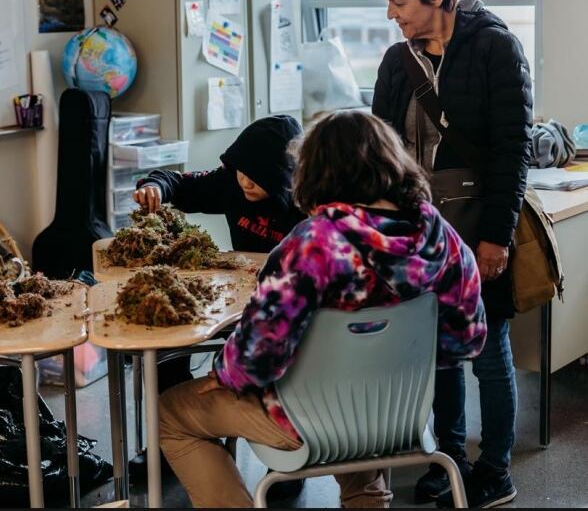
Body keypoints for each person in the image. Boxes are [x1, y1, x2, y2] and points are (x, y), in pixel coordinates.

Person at [158, 110, 487, 508]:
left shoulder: (313, 243)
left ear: (316, 170)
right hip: (399, 415)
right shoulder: (439, 233)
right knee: (352, 404)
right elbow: (467, 339)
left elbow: (257, 358)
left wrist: (225, 372)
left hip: (307, 418)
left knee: (168, 415)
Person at [372, 0, 533, 508]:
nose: (392, 14)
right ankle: (449, 458)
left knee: (489, 353)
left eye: (400, 2)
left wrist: (496, 236)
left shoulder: (496, 49)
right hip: (419, 235)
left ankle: (495, 469)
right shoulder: (397, 61)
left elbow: (513, 154)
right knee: (438, 352)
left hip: (478, 226)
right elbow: (381, 154)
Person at [132, 115, 306, 497]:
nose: (244, 181)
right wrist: (154, 187)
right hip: (234, 296)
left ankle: (291, 463)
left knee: (288, 356)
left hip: (283, 306)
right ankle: (172, 448)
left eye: (255, 176)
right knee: (167, 336)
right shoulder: (231, 182)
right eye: (240, 171)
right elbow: (178, 181)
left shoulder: (305, 206)